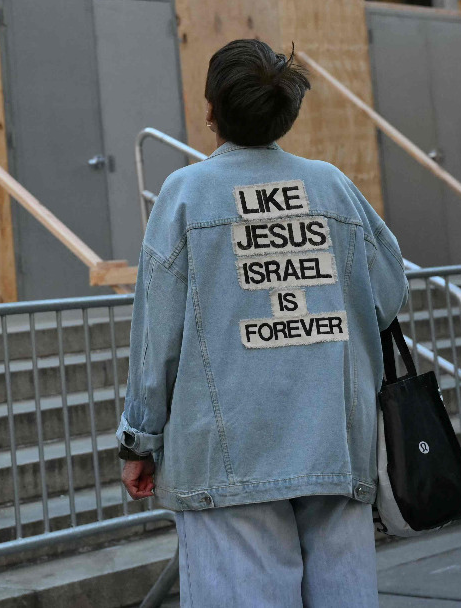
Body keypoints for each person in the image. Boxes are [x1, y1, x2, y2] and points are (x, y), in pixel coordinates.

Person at [117, 39, 407, 608]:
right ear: (285, 114)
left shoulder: (185, 194)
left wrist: (139, 441)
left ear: (210, 110)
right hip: (333, 439)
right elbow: (389, 291)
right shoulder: (331, 187)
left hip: (228, 457)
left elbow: (158, 342)